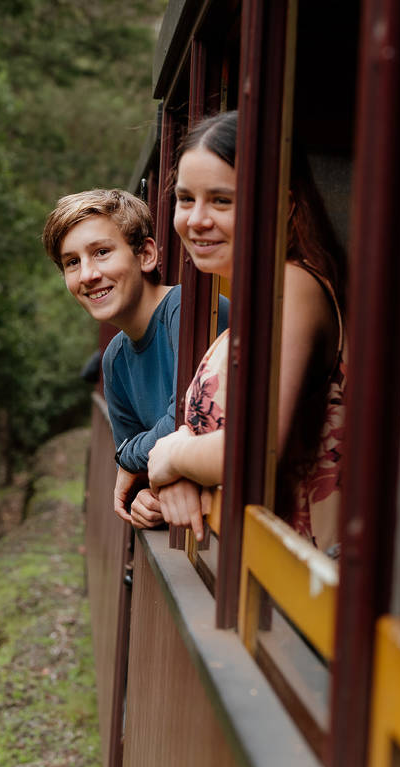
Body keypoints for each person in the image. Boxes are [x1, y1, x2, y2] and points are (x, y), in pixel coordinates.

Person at [147, 110, 347, 554]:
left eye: (222, 200)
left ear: (284, 205)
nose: (196, 219)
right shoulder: (260, 301)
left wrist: (168, 455)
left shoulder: (293, 286)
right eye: (185, 199)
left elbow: (253, 448)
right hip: (260, 574)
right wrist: (179, 470)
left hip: (301, 592)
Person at [42, 188, 229, 530]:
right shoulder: (114, 359)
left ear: (145, 255)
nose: (87, 274)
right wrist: (146, 495)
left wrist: (130, 459)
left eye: (101, 252)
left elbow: (187, 422)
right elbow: (141, 473)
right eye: (72, 262)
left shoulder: (188, 309)